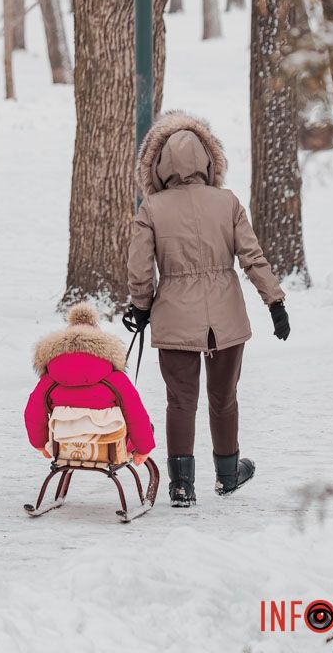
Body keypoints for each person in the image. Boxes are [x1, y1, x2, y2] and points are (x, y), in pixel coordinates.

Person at [125, 111, 290, 508]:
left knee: (180, 400)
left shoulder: (152, 208)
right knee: (224, 397)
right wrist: (275, 302)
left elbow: (139, 266)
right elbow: (252, 257)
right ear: (208, 160)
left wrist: (141, 306)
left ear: (159, 165)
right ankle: (228, 473)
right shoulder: (227, 202)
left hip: (175, 313)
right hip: (226, 315)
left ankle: (182, 486)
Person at [24, 303, 156, 465]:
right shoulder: (115, 379)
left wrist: (41, 444)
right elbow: (136, 414)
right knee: (146, 426)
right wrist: (143, 449)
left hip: (65, 448)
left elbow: (33, 412)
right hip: (111, 449)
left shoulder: (49, 380)